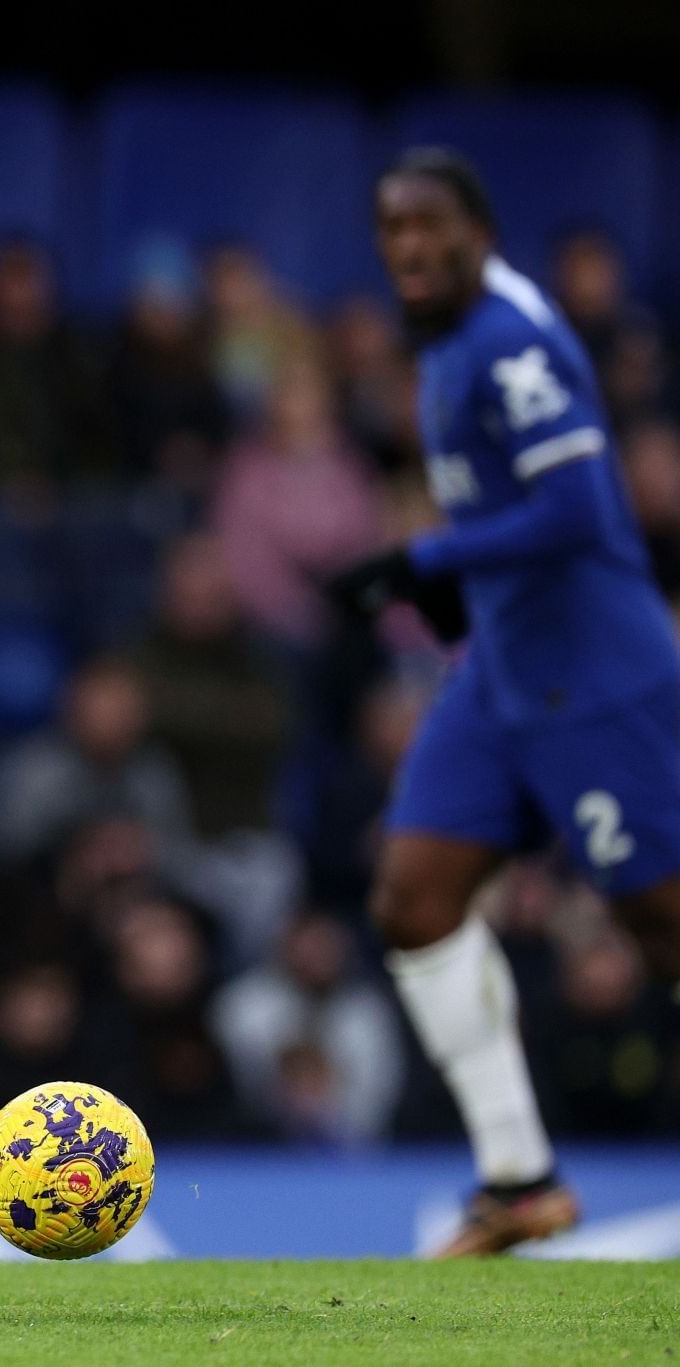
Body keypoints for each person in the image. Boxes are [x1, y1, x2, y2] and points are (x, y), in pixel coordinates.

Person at [331, 147, 680, 1256]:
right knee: (413, 895)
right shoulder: (446, 342)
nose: (410, 248)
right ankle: (519, 1176)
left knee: (664, 925)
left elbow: (580, 506)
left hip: (598, 677)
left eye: (430, 225)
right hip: (503, 673)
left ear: (478, 230)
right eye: (393, 230)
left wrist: (430, 553)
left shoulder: (512, 341)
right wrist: (453, 588)